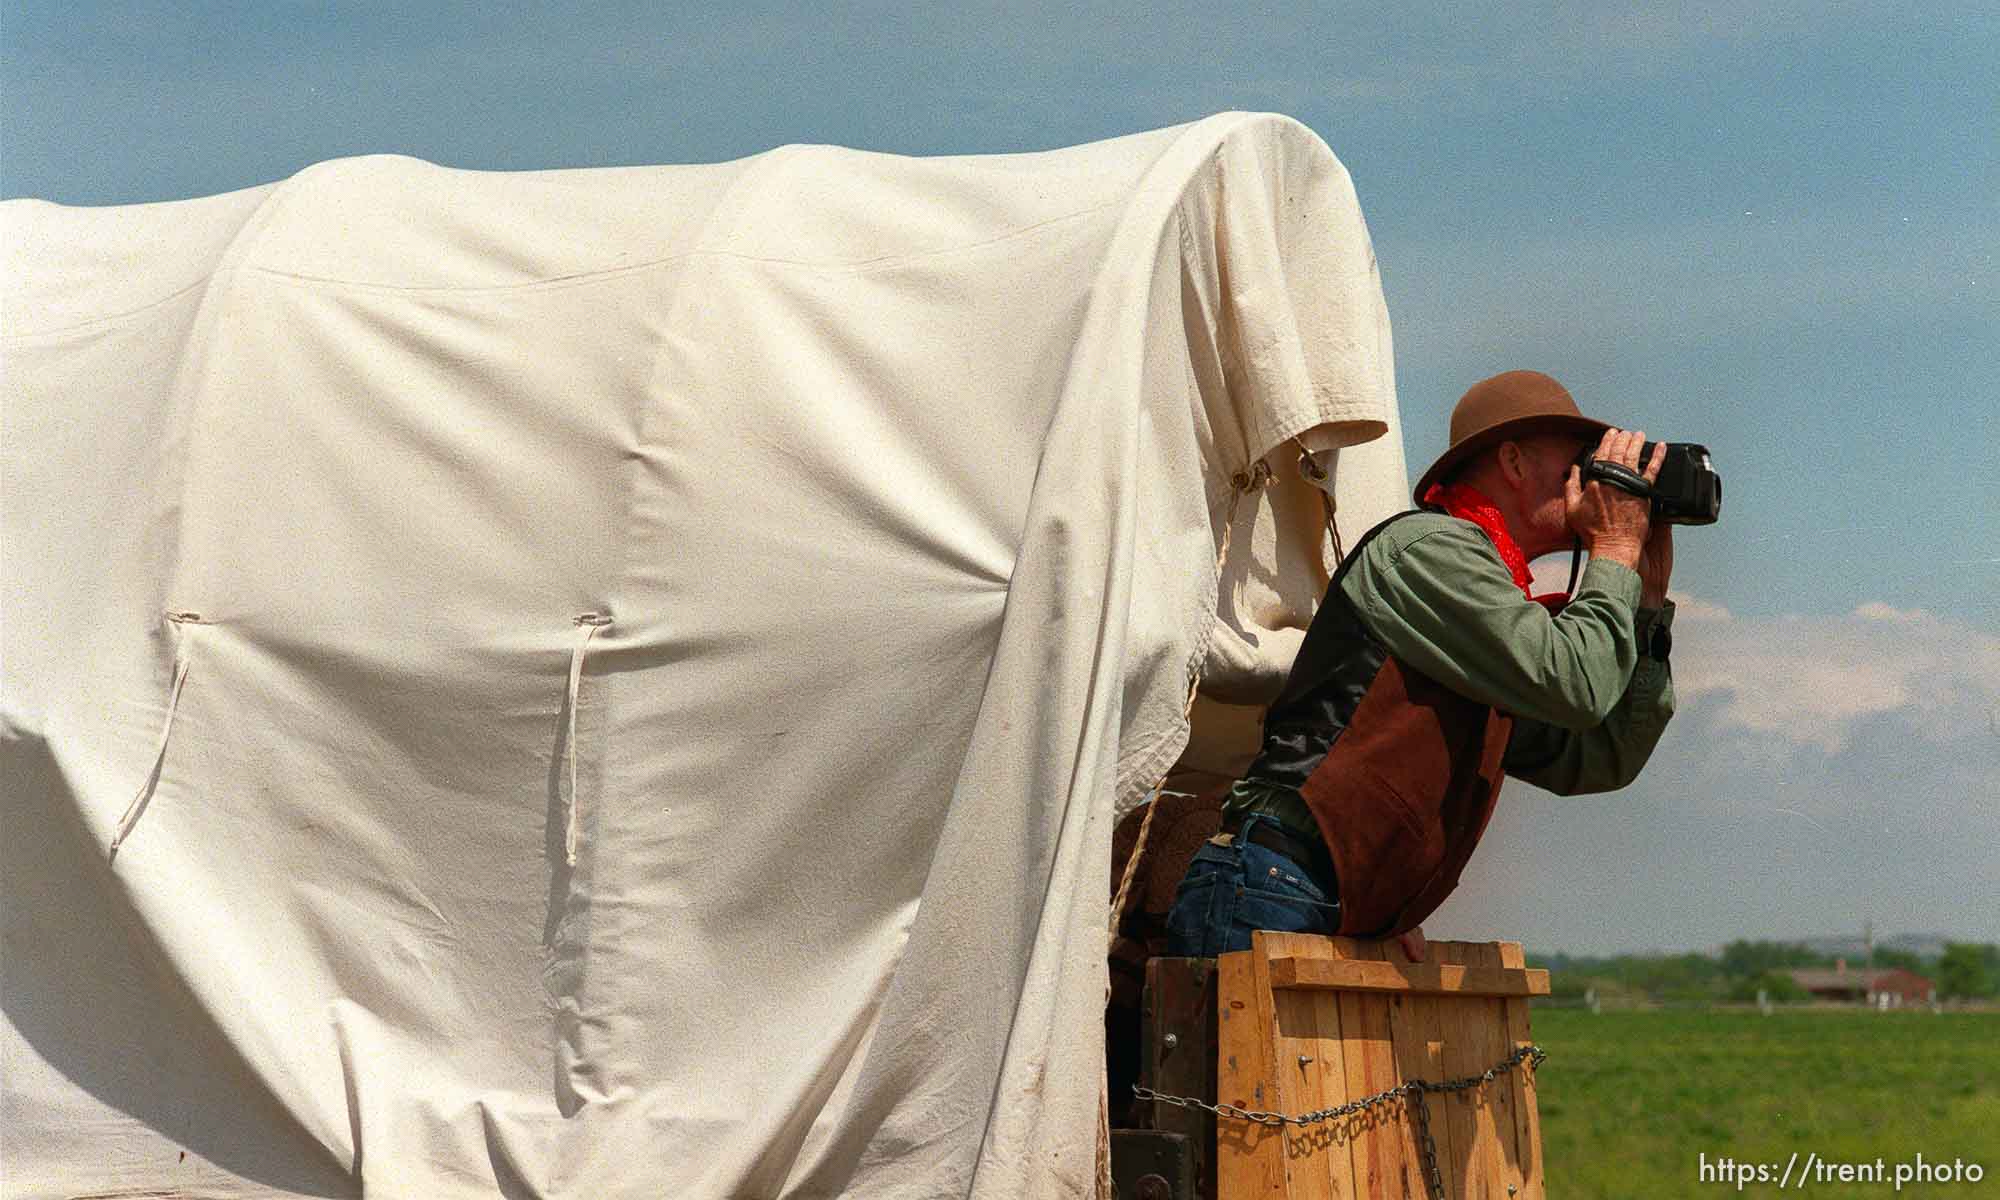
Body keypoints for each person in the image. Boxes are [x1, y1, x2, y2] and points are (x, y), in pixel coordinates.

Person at [1165, 369, 1677, 961]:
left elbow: (1594, 759)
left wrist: (1646, 610)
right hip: (1275, 886)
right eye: (1578, 466)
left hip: (1317, 896)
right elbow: (1575, 686)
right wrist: (1614, 552)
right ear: (1512, 462)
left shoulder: (1496, 603)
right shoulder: (1431, 551)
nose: (1593, 485)